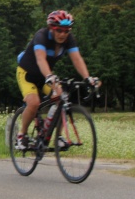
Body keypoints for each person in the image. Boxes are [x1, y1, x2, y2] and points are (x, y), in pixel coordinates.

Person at [15, 10, 100, 149]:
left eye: (66, 31)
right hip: (27, 73)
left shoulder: (69, 39)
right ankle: (21, 135)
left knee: (62, 97)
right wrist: (49, 76)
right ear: (51, 28)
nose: (63, 34)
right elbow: (40, 59)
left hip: (45, 75)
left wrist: (87, 78)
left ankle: (56, 135)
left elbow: (77, 59)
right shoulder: (41, 36)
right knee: (34, 102)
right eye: (59, 30)